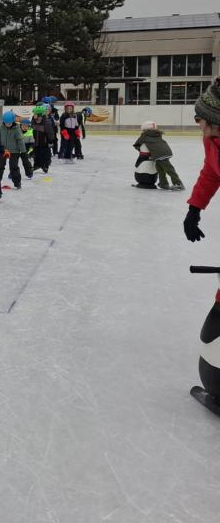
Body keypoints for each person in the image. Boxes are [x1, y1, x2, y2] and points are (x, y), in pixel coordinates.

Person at [182, 78, 220, 416]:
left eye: (203, 119)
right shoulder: (212, 139)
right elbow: (211, 172)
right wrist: (194, 209)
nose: (199, 125)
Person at [132, 121, 183, 190]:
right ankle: (163, 183)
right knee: (160, 169)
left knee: (169, 169)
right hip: (164, 151)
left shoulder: (144, 135)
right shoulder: (157, 134)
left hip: (159, 154)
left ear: (145, 129)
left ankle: (178, 183)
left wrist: (139, 149)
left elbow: (137, 144)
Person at [0, 111, 27, 189]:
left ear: (13, 121)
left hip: (14, 151)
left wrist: (23, 151)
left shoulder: (17, 129)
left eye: (9, 123)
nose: (8, 124)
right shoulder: (1, 128)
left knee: (14, 167)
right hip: (3, 150)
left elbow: (20, 140)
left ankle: (17, 183)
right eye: (6, 123)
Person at [29, 105, 53, 173]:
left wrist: (50, 141)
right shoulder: (33, 121)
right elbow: (31, 130)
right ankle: (36, 165)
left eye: (35, 114)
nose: (34, 115)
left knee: (45, 154)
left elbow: (50, 132)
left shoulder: (46, 122)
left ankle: (45, 166)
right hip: (36, 142)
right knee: (36, 154)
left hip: (44, 142)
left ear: (40, 115)